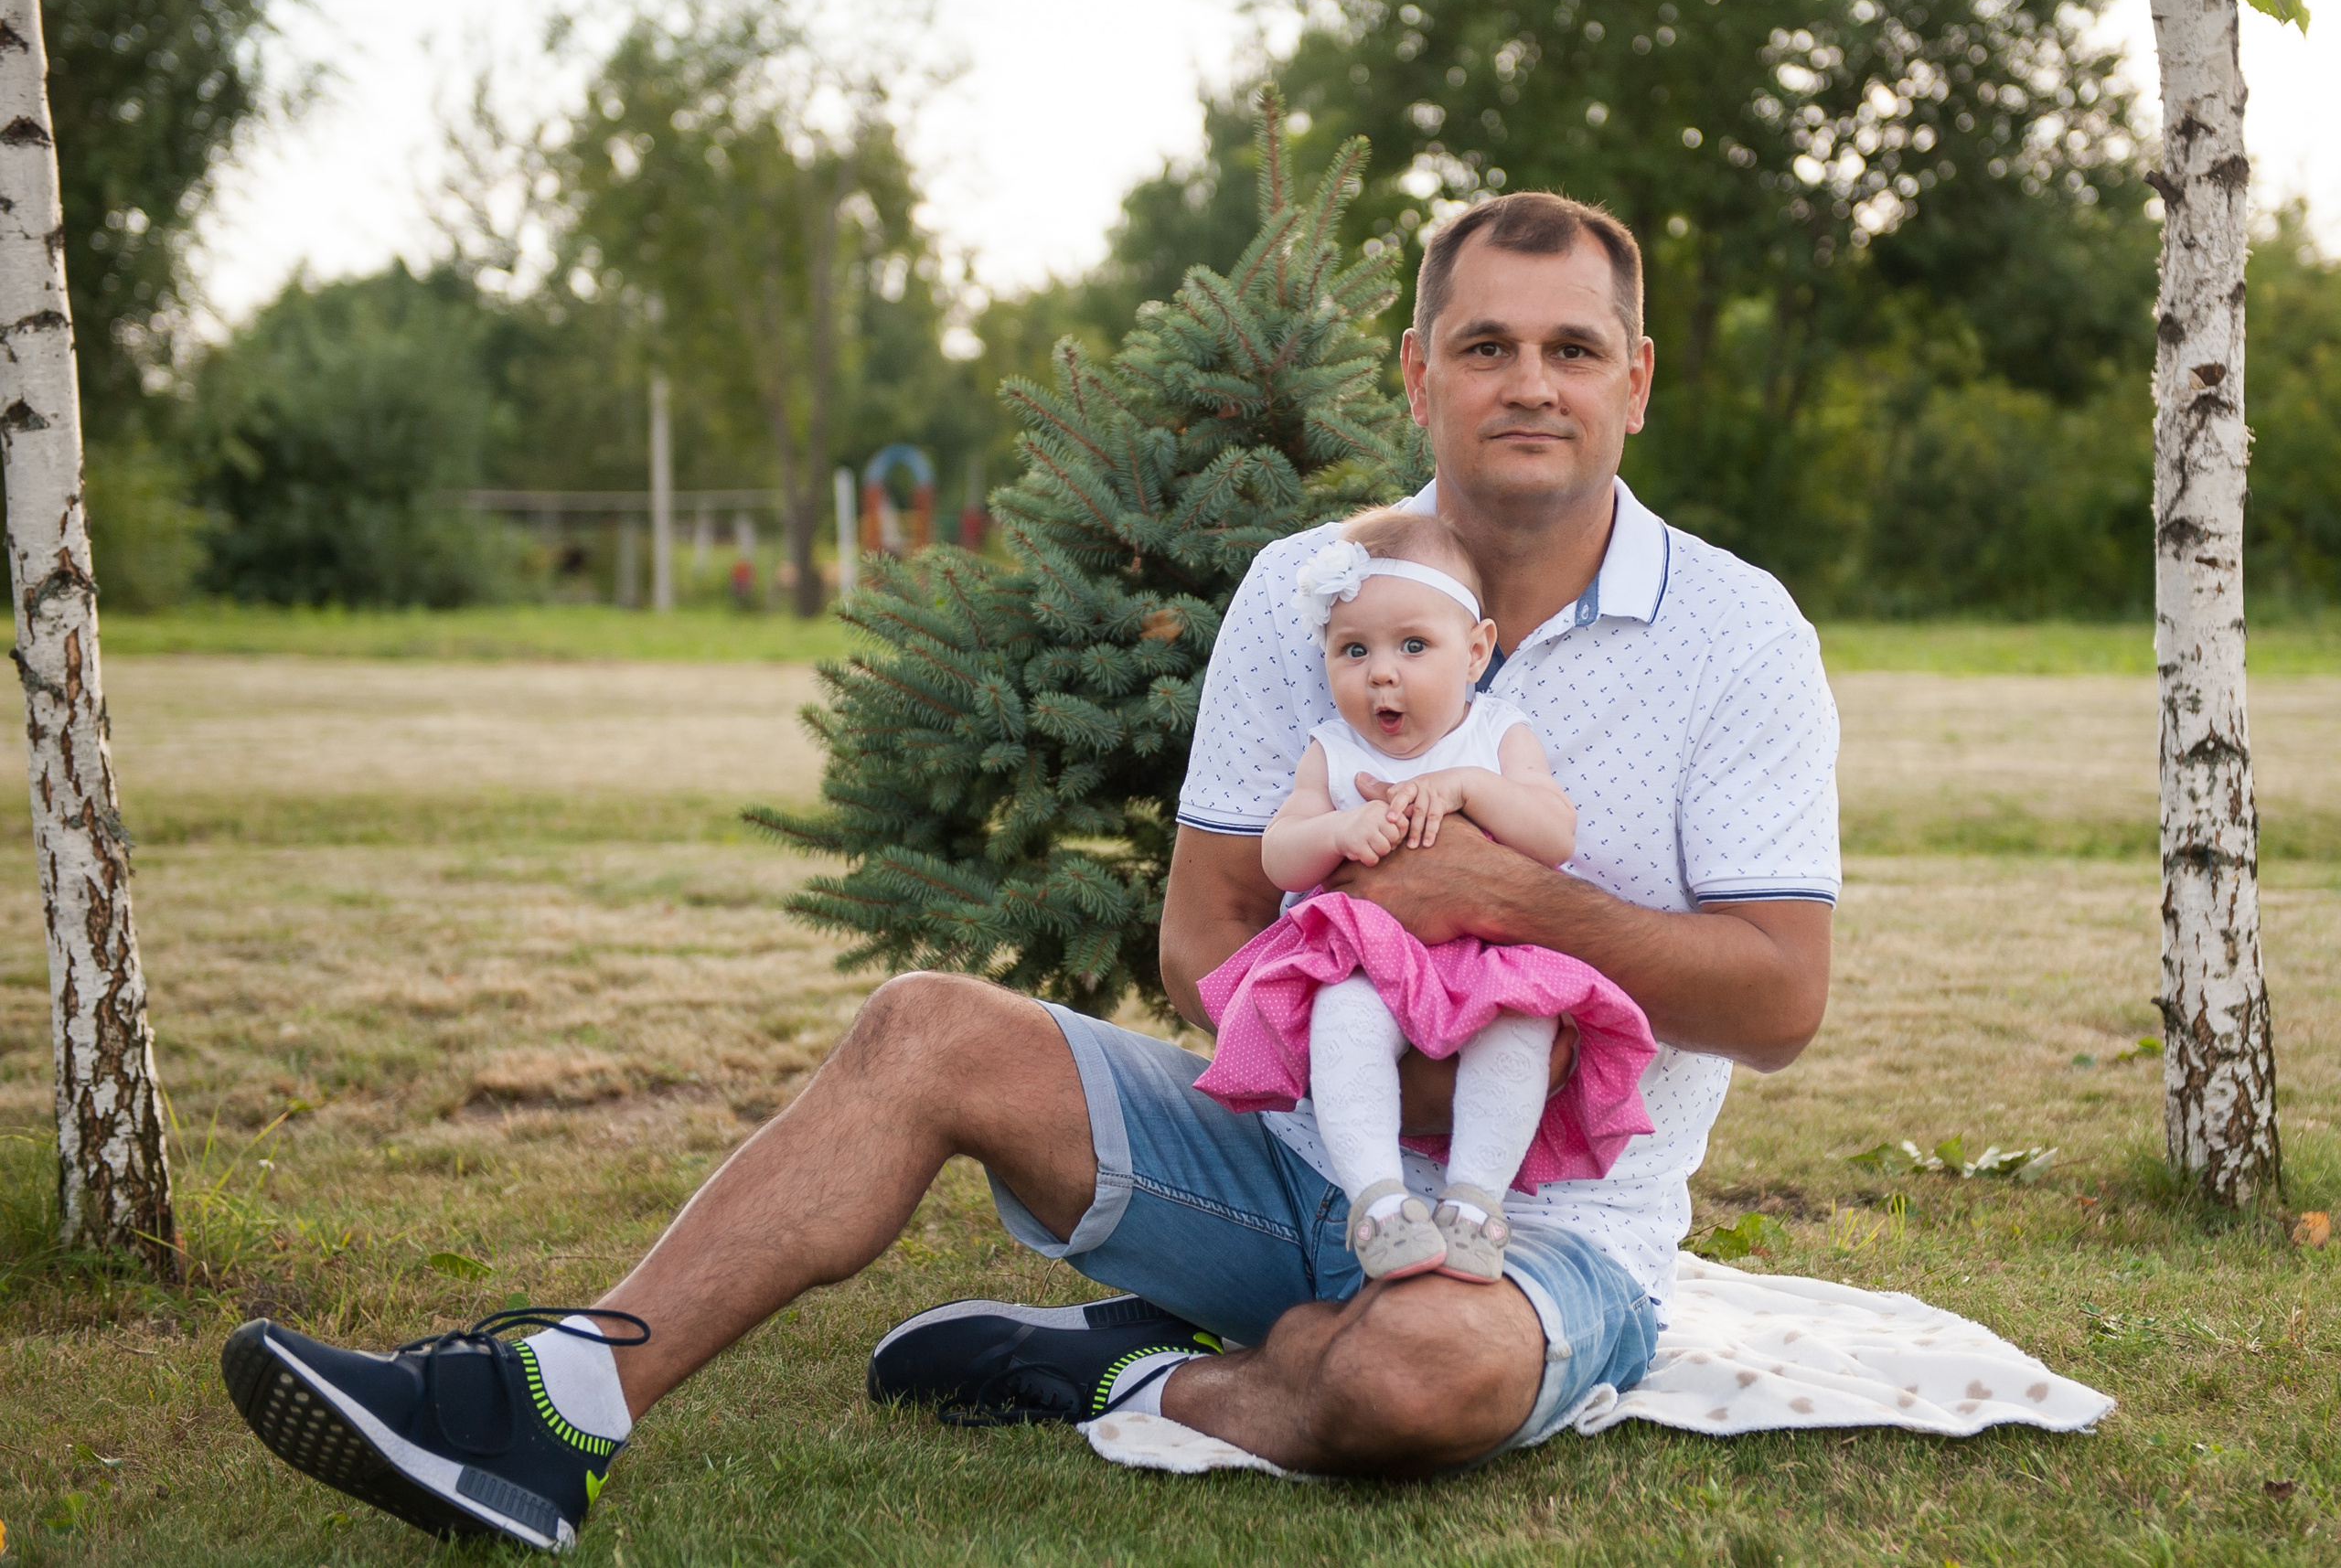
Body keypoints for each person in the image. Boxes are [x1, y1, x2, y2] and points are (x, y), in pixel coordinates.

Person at [218, 191, 1839, 1551]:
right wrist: (1351, 1013)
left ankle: (1134, 1380)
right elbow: (1205, 928)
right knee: (925, 1025)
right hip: (1294, 1153)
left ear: (1638, 378)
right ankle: (550, 1398)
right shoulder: (1308, 591)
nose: (1528, 382)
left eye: (1570, 348)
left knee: (1410, 1381)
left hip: (1543, 1219)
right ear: (1421, 373)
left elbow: (1778, 1000)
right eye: (1486, 344)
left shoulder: (1738, 635)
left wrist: (1507, 907)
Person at [1189, 503, 1658, 1286]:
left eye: (1414, 646)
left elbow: (1553, 833)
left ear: (1475, 652)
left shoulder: (1496, 735)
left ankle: (1475, 1204)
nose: (1382, 672)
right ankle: (1380, 1201)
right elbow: (1279, 853)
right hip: (1367, 962)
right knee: (1341, 1023)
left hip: (1482, 962)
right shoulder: (1332, 751)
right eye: (1353, 649)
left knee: (1521, 1031)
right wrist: (1339, 833)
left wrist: (1472, 787)